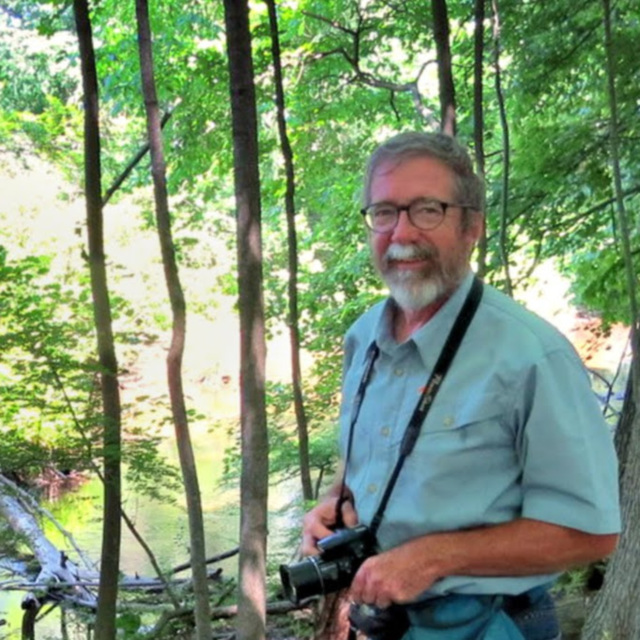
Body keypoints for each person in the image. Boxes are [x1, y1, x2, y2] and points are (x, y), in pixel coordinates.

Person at [301, 132, 621, 640]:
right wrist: (335, 505)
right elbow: (376, 462)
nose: (401, 232)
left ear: (472, 226)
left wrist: (432, 558)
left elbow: (591, 531)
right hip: (389, 625)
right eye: (383, 212)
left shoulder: (532, 355)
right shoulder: (363, 338)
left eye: (427, 210)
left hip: (494, 623)